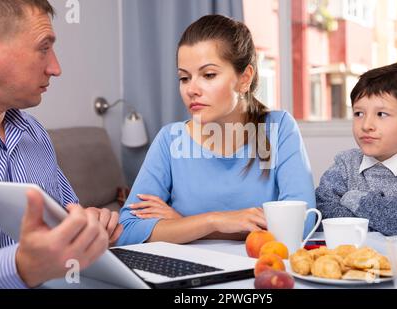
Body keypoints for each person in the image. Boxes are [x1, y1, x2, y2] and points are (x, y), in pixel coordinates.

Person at [118, 14, 316, 246]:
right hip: (189, 274)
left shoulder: (279, 128)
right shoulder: (169, 140)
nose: (191, 89)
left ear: (244, 78)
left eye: (208, 75)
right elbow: (128, 231)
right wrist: (212, 221)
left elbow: (301, 224)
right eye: (184, 78)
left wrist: (182, 223)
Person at [0, 0, 122, 288]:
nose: (56, 68)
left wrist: (89, 226)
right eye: (44, 47)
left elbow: (67, 217)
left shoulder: (35, 134)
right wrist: (21, 267)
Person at [316, 62, 397, 236]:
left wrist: (353, 198)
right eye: (358, 114)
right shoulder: (345, 163)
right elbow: (322, 216)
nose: (366, 125)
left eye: (381, 114)